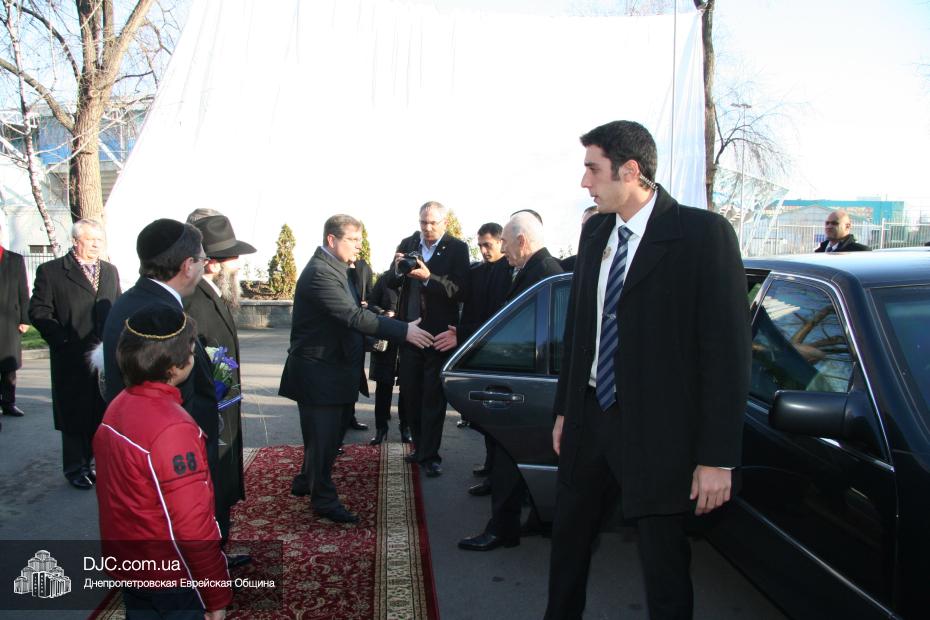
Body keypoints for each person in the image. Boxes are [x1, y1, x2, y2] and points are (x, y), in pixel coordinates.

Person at [545, 120, 751, 619]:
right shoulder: (595, 231)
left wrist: (717, 458)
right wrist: (566, 410)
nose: (585, 182)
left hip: (660, 434)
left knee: (664, 565)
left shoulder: (702, 236)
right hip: (591, 417)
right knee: (567, 547)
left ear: (630, 170)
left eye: (593, 169)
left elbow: (727, 355)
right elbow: (580, 331)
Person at [279, 214, 432, 523]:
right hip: (319, 374)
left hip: (334, 370)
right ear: (331, 240)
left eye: (359, 240)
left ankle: (306, 480)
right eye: (352, 240)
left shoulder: (337, 268)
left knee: (327, 436)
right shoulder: (321, 273)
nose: (358, 246)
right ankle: (323, 499)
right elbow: (352, 316)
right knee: (324, 440)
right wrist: (404, 330)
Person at [94, 304, 231, 619]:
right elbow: (192, 524)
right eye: (191, 351)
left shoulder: (118, 405)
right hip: (169, 572)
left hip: (131, 561)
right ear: (174, 366)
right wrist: (215, 595)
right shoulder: (173, 428)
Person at [458, 212, 563, 551]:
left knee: (508, 460)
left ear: (521, 240)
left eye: (504, 241)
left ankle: (503, 529)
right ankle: (533, 522)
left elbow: (535, 334)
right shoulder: (533, 270)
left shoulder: (544, 274)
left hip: (531, 385)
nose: (502, 249)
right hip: (530, 381)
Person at [101, 219, 221, 483]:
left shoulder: (136, 299)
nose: (204, 267)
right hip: (170, 464)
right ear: (187, 265)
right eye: (202, 260)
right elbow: (172, 395)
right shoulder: (159, 316)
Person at [28, 219, 121, 489]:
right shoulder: (52, 271)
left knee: (103, 411)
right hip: (72, 356)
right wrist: (62, 340)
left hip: (104, 356)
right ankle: (76, 468)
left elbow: (117, 305)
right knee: (75, 413)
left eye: (99, 240)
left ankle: (97, 463)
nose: (95, 245)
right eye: (90, 240)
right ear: (75, 241)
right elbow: (39, 311)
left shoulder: (109, 271)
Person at [183, 213, 255, 553]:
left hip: (223, 404)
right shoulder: (193, 298)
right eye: (232, 257)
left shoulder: (212, 291)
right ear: (212, 263)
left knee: (223, 479)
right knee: (213, 481)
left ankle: (220, 547)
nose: (238, 265)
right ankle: (213, 555)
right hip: (210, 408)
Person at [385, 201, 470, 477]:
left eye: (433, 222)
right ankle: (419, 448)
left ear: (445, 222)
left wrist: (427, 277)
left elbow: (460, 290)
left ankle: (430, 455)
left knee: (432, 399)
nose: (427, 227)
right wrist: (397, 268)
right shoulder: (409, 243)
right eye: (423, 222)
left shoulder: (457, 248)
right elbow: (390, 283)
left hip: (438, 335)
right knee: (410, 396)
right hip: (411, 332)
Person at [365, 270, 404, 445]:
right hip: (385, 340)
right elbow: (371, 303)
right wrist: (382, 313)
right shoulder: (385, 279)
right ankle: (381, 429)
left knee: (407, 388)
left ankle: (406, 427)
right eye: (398, 258)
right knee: (383, 387)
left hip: (407, 341)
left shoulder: (415, 280)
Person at [0, 226, 29, 428]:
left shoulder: (15, 260)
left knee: (9, 366)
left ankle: (9, 403)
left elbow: (23, 290)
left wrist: (24, 318)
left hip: (9, 319)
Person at [559, 206, 598, 271]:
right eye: (583, 226)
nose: (585, 230)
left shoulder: (614, 263)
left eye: (591, 224)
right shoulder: (571, 265)